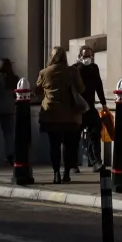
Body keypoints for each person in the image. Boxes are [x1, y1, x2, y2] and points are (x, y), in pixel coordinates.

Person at [37, 46, 86, 183]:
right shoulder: (73, 71)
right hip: (70, 115)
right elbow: (81, 88)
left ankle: (56, 173)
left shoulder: (44, 72)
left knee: (54, 144)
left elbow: (37, 90)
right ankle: (66, 173)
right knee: (69, 145)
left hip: (52, 114)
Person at [73, 44, 107, 172]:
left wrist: (103, 103)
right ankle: (73, 164)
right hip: (78, 109)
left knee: (95, 132)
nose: (87, 58)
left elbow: (99, 85)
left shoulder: (94, 68)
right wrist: (80, 65)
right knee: (75, 136)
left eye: (89, 56)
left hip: (90, 107)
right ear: (79, 56)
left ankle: (96, 161)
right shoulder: (75, 69)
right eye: (84, 55)